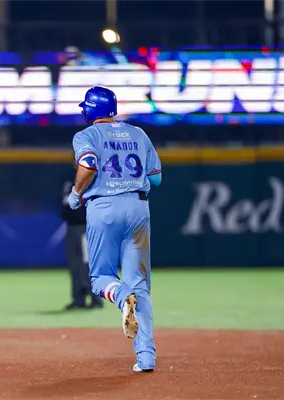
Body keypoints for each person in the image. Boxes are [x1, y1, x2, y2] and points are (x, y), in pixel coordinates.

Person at [67, 86, 162, 373]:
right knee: (139, 285)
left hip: (104, 208)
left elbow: (89, 164)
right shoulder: (138, 133)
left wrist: (76, 193)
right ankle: (146, 357)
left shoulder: (86, 135)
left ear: (91, 110)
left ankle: (122, 298)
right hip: (138, 209)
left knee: (100, 279)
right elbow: (156, 178)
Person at [61, 167, 104, 310]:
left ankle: (95, 298)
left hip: (88, 227)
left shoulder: (93, 178)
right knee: (75, 265)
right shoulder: (69, 180)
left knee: (88, 263)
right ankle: (78, 298)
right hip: (72, 227)